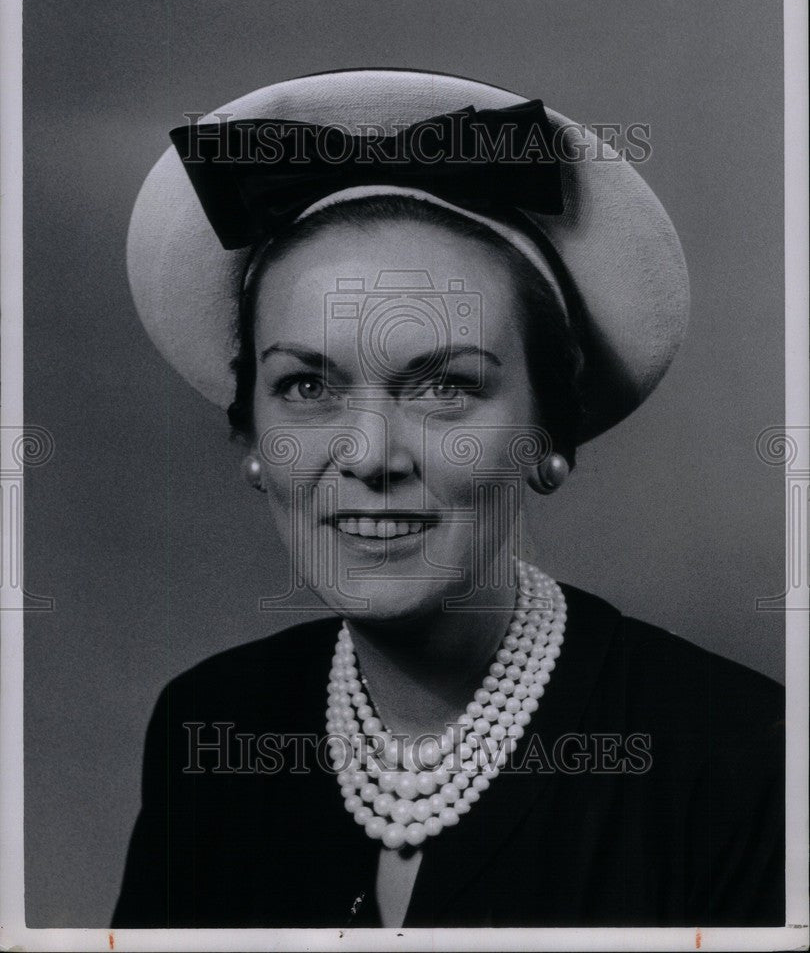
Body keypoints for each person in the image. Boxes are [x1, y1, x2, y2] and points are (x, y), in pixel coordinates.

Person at [112, 70, 784, 929]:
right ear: (252, 443)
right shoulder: (208, 721)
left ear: (548, 436)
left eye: (443, 388)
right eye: (308, 385)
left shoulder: (740, 759)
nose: (371, 457)